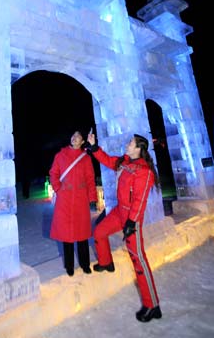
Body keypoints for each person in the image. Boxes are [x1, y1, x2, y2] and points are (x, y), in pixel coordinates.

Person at [86, 132, 162, 323]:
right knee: (99, 231)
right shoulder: (124, 162)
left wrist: (131, 222)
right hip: (119, 212)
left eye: (131, 143)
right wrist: (94, 148)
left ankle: (152, 305)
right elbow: (107, 160)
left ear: (139, 149)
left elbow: (140, 199)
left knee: (138, 259)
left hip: (131, 218)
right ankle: (106, 262)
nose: (127, 144)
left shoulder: (144, 171)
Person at [49, 130, 98, 277]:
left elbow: (90, 178)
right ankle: (69, 266)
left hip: (81, 199)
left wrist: (92, 198)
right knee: (67, 235)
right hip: (65, 200)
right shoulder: (60, 155)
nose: (75, 137)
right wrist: (58, 188)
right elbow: (53, 173)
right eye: (73, 135)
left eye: (78, 136)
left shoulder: (85, 158)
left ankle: (85, 264)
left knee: (82, 234)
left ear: (83, 142)